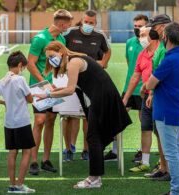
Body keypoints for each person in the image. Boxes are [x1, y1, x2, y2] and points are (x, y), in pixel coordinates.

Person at [34, 41, 131, 188]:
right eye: (48, 58)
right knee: (94, 138)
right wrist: (52, 91)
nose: (50, 60)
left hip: (102, 98)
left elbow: (70, 89)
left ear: (61, 52)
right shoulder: (74, 61)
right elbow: (72, 87)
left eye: (52, 56)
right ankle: (95, 177)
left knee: (93, 137)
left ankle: (94, 179)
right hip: (101, 98)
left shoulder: (74, 62)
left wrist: (47, 94)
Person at [143, 22, 179, 195]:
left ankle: (176, 191)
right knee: (175, 152)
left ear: (166, 38)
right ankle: (177, 190)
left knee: (172, 154)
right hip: (174, 110)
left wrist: (149, 88)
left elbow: (150, 82)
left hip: (167, 112)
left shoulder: (169, 59)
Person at [27, 9, 73, 175]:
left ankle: (45, 160)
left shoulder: (61, 39)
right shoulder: (39, 39)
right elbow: (30, 63)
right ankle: (33, 160)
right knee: (39, 121)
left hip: (54, 87)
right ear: (61, 24)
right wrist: (43, 82)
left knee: (51, 121)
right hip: (38, 87)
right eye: (68, 24)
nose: (70, 27)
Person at [0, 51, 35, 193]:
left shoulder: (2, 80)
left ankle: (12, 185)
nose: (23, 70)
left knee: (12, 152)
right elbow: (30, 100)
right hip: (22, 122)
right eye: (23, 67)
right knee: (27, 151)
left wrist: (3, 102)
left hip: (9, 123)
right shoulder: (20, 80)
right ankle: (20, 185)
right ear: (19, 65)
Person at [63, 10, 111, 161]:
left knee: (88, 116)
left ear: (95, 23)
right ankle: (69, 148)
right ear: (82, 20)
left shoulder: (99, 36)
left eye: (92, 23)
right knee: (69, 116)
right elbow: (59, 48)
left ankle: (87, 149)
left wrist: (103, 63)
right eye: (86, 22)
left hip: (92, 81)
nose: (89, 25)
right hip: (70, 79)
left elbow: (107, 51)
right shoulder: (70, 34)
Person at [104, 14, 149, 162]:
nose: (137, 29)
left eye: (140, 26)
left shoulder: (151, 43)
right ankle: (115, 152)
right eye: (135, 26)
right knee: (118, 117)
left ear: (147, 26)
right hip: (129, 88)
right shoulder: (129, 42)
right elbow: (130, 63)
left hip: (145, 89)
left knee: (145, 121)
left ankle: (143, 152)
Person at [123, 26, 159, 173]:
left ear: (152, 36)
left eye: (144, 34)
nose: (140, 38)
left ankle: (164, 164)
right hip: (146, 98)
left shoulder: (161, 52)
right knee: (146, 128)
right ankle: (145, 162)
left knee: (160, 131)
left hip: (159, 98)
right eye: (139, 35)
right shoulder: (142, 54)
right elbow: (135, 77)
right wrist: (125, 98)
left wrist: (152, 93)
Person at [143, 14, 172, 181]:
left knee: (164, 135)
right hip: (157, 94)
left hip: (164, 96)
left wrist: (152, 90)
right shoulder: (162, 44)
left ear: (162, 26)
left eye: (154, 26)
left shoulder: (169, 46)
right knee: (158, 133)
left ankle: (167, 170)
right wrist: (151, 93)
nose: (152, 29)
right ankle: (163, 167)